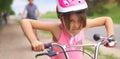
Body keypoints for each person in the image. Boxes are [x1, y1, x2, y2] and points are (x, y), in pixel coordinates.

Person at [20, 0, 116, 59]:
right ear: (61, 18)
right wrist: (34, 41)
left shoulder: (84, 25)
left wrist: (110, 37)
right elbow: (25, 22)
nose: (77, 25)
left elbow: (106, 19)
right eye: (71, 21)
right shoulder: (57, 29)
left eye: (80, 20)